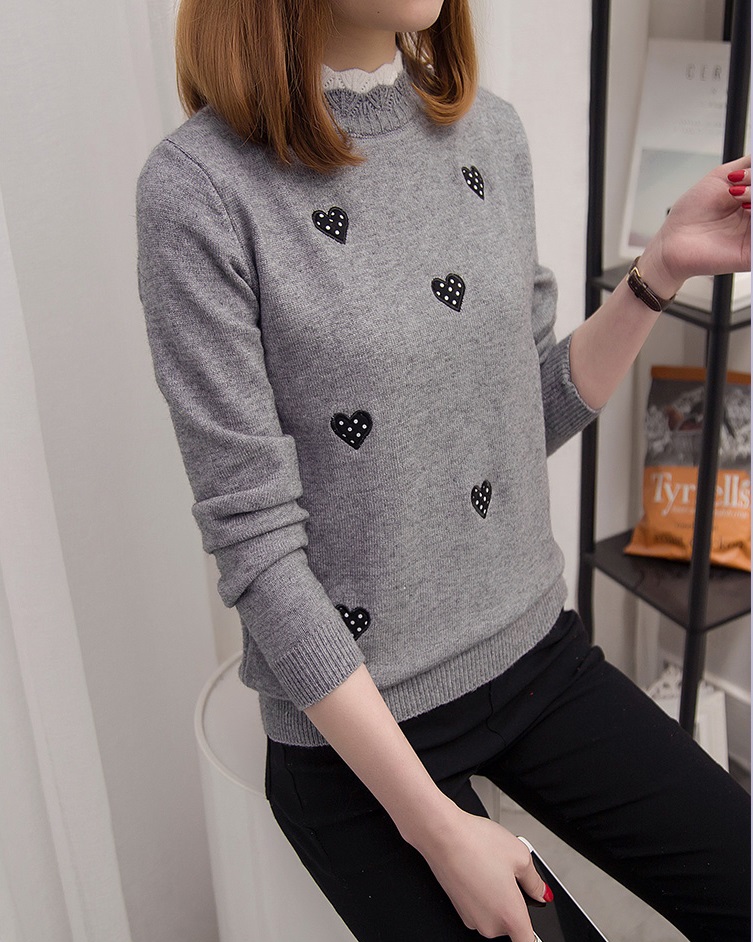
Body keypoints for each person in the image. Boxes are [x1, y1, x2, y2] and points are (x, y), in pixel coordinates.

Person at [135, 2, 751, 939]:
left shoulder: (489, 134)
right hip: (358, 739)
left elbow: (516, 418)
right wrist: (436, 829)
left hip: (535, 656)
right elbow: (257, 550)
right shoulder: (200, 189)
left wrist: (659, 266)